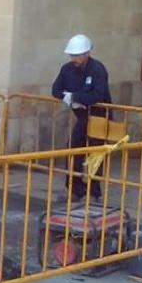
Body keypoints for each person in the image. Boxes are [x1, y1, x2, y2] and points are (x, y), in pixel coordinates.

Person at [52, 34, 112, 201]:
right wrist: (67, 97)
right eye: (72, 55)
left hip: (99, 117)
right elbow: (56, 89)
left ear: (87, 53)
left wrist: (76, 97)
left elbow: (98, 94)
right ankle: (75, 189)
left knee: (95, 154)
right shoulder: (67, 69)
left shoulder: (98, 69)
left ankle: (94, 191)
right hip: (83, 116)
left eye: (77, 55)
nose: (74, 59)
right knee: (73, 150)